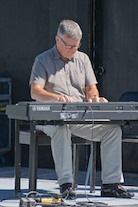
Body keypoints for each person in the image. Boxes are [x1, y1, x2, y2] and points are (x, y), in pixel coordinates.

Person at [29, 19, 134, 199]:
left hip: (78, 117)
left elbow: (91, 87)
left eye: (76, 46)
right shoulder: (42, 60)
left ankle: (110, 184)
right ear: (57, 40)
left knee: (113, 130)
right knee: (60, 129)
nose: (73, 50)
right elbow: (35, 92)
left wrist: (94, 97)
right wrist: (56, 98)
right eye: (69, 46)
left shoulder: (83, 58)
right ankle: (66, 185)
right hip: (49, 119)